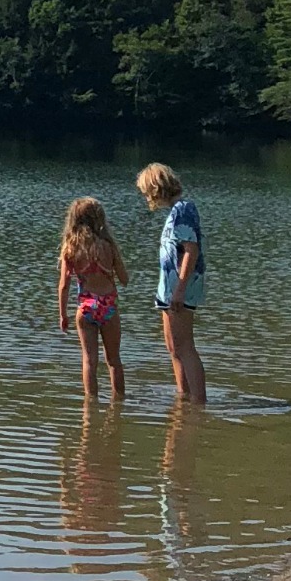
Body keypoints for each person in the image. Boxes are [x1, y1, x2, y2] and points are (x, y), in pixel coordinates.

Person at [136, 162, 206, 402]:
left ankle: (198, 402)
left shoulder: (183, 210)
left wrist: (179, 289)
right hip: (168, 290)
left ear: (157, 188)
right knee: (173, 348)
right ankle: (183, 399)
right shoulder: (176, 211)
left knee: (185, 347)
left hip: (180, 290)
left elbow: (191, 251)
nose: (146, 197)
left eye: (147, 192)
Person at [55, 195, 128, 398]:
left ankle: (90, 405)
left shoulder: (70, 248)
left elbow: (63, 286)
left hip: (85, 307)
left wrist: (63, 314)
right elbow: (125, 279)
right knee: (113, 360)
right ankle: (119, 401)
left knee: (89, 361)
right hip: (108, 306)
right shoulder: (108, 246)